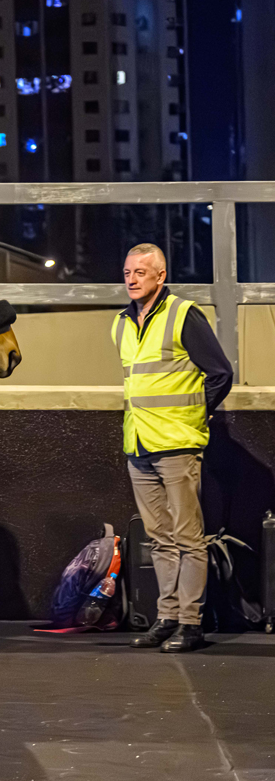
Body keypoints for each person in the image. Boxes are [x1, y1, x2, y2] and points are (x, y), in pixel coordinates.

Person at [115, 243, 233, 652]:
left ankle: (190, 622)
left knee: (188, 538)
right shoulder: (121, 323)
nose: (131, 279)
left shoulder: (183, 315)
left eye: (140, 272)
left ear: (160, 276)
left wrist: (195, 415)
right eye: (127, 272)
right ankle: (167, 617)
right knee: (159, 538)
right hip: (139, 443)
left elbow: (220, 373)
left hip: (177, 444)